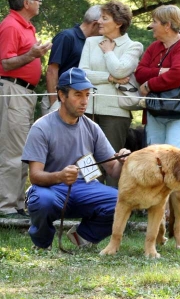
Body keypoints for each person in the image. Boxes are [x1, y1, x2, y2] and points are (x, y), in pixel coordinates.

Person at [22, 67, 130, 250]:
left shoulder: (92, 127)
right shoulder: (42, 127)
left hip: (86, 188)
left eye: (87, 95)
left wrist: (123, 162)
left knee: (124, 200)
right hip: (51, 189)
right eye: (78, 94)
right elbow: (35, 176)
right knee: (42, 201)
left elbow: (113, 169)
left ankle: (83, 237)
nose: (84, 101)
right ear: (61, 96)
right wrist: (60, 177)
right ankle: (42, 244)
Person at [135, 5, 180, 223]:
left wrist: (150, 84)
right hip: (157, 111)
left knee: (178, 163)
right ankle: (159, 211)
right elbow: (139, 72)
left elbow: (179, 75)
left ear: (167, 25)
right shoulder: (155, 46)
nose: (151, 26)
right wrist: (159, 72)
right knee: (156, 161)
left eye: (155, 22)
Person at [0, 0, 52, 218]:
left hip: (25, 93)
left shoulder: (26, 26)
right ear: (26, 2)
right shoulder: (11, 25)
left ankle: (18, 203)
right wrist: (32, 54)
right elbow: (5, 63)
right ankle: (7, 207)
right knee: (12, 150)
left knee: (21, 149)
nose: (40, 4)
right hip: (13, 91)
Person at [79, 0, 143, 187]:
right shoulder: (90, 42)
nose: (99, 21)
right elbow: (82, 73)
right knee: (87, 159)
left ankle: (113, 205)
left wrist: (108, 52)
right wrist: (109, 78)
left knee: (113, 158)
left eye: (104, 18)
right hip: (88, 108)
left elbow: (121, 71)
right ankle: (88, 198)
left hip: (116, 112)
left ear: (118, 23)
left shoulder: (133, 46)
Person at [43, 5, 102, 114]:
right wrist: (55, 102)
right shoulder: (66, 36)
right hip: (59, 98)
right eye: (102, 25)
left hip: (77, 101)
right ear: (94, 24)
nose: (103, 31)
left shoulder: (93, 44)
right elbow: (52, 70)